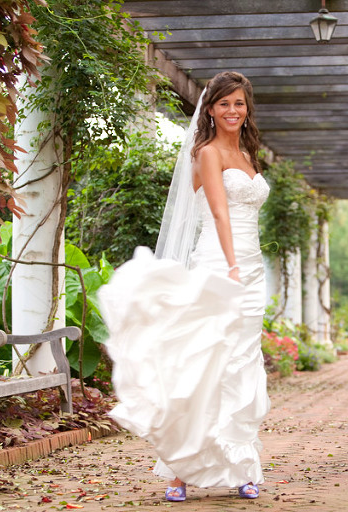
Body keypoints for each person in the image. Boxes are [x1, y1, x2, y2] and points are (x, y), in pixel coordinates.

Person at [98, 71, 271, 503]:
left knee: (242, 367)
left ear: (247, 110)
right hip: (220, 264)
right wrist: (232, 267)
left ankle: (242, 466)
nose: (233, 111)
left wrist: (249, 268)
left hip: (253, 272)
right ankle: (180, 469)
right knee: (203, 363)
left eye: (240, 104)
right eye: (224, 103)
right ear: (210, 109)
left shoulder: (249, 153)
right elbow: (218, 214)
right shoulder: (208, 152)